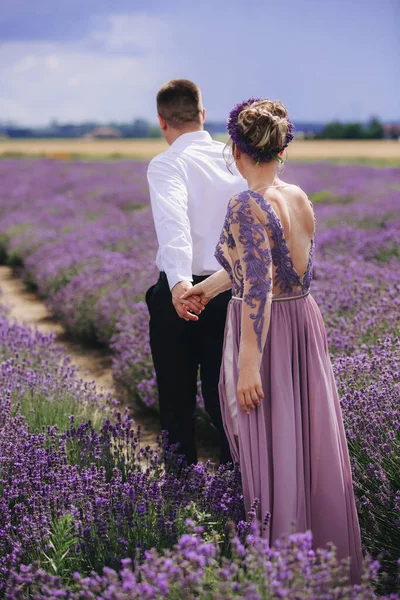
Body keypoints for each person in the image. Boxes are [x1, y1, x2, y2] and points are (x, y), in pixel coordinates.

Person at [182, 98, 363, 582]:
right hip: (301, 325)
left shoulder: (245, 203)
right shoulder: (298, 196)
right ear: (281, 149)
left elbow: (258, 286)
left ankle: (282, 568)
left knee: (272, 444)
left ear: (236, 151)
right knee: (307, 440)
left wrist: (247, 363)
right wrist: (208, 287)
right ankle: (324, 562)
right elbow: (264, 268)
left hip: (266, 337)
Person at [145, 79, 246, 465]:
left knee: (175, 401)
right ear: (203, 115)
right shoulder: (234, 158)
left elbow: (173, 225)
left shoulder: (168, 163)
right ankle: (241, 493)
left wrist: (180, 285)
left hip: (180, 292)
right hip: (230, 290)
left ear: (161, 121)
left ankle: (179, 496)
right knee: (228, 401)